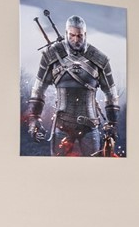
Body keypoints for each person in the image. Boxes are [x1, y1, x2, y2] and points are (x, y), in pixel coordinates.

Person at [25, 15, 122, 156]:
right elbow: (39, 90)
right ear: (66, 34)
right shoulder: (50, 56)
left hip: (90, 126)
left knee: (94, 169)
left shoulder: (100, 59)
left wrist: (113, 123)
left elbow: (111, 94)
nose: (76, 40)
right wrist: (34, 118)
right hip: (61, 125)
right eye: (72, 35)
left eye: (79, 36)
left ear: (85, 34)